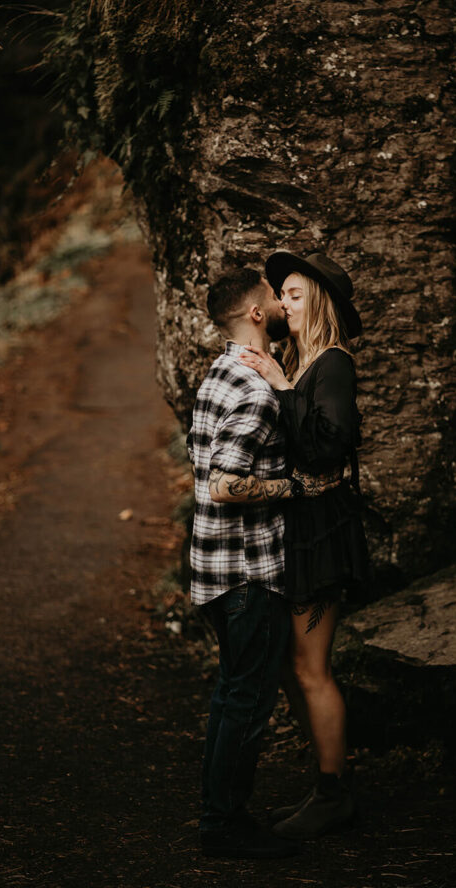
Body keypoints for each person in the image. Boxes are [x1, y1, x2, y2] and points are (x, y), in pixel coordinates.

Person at [187, 267, 339, 860]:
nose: (280, 302)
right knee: (245, 703)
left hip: (213, 571)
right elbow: (224, 485)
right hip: (248, 575)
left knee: (231, 696)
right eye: (272, 297)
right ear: (255, 314)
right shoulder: (253, 391)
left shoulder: (219, 375)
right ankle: (223, 824)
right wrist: (296, 488)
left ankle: (217, 815)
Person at [239, 251, 368, 841]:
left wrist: (281, 383)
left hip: (321, 528)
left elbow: (325, 446)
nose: (281, 303)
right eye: (281, 293)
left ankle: (333, 794)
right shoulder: (305, 359)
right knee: (298, 665)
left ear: (318, 300)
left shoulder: (332, 364)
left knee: (312, 668)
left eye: (292, 293)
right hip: (302, 522)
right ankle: (324, 780)